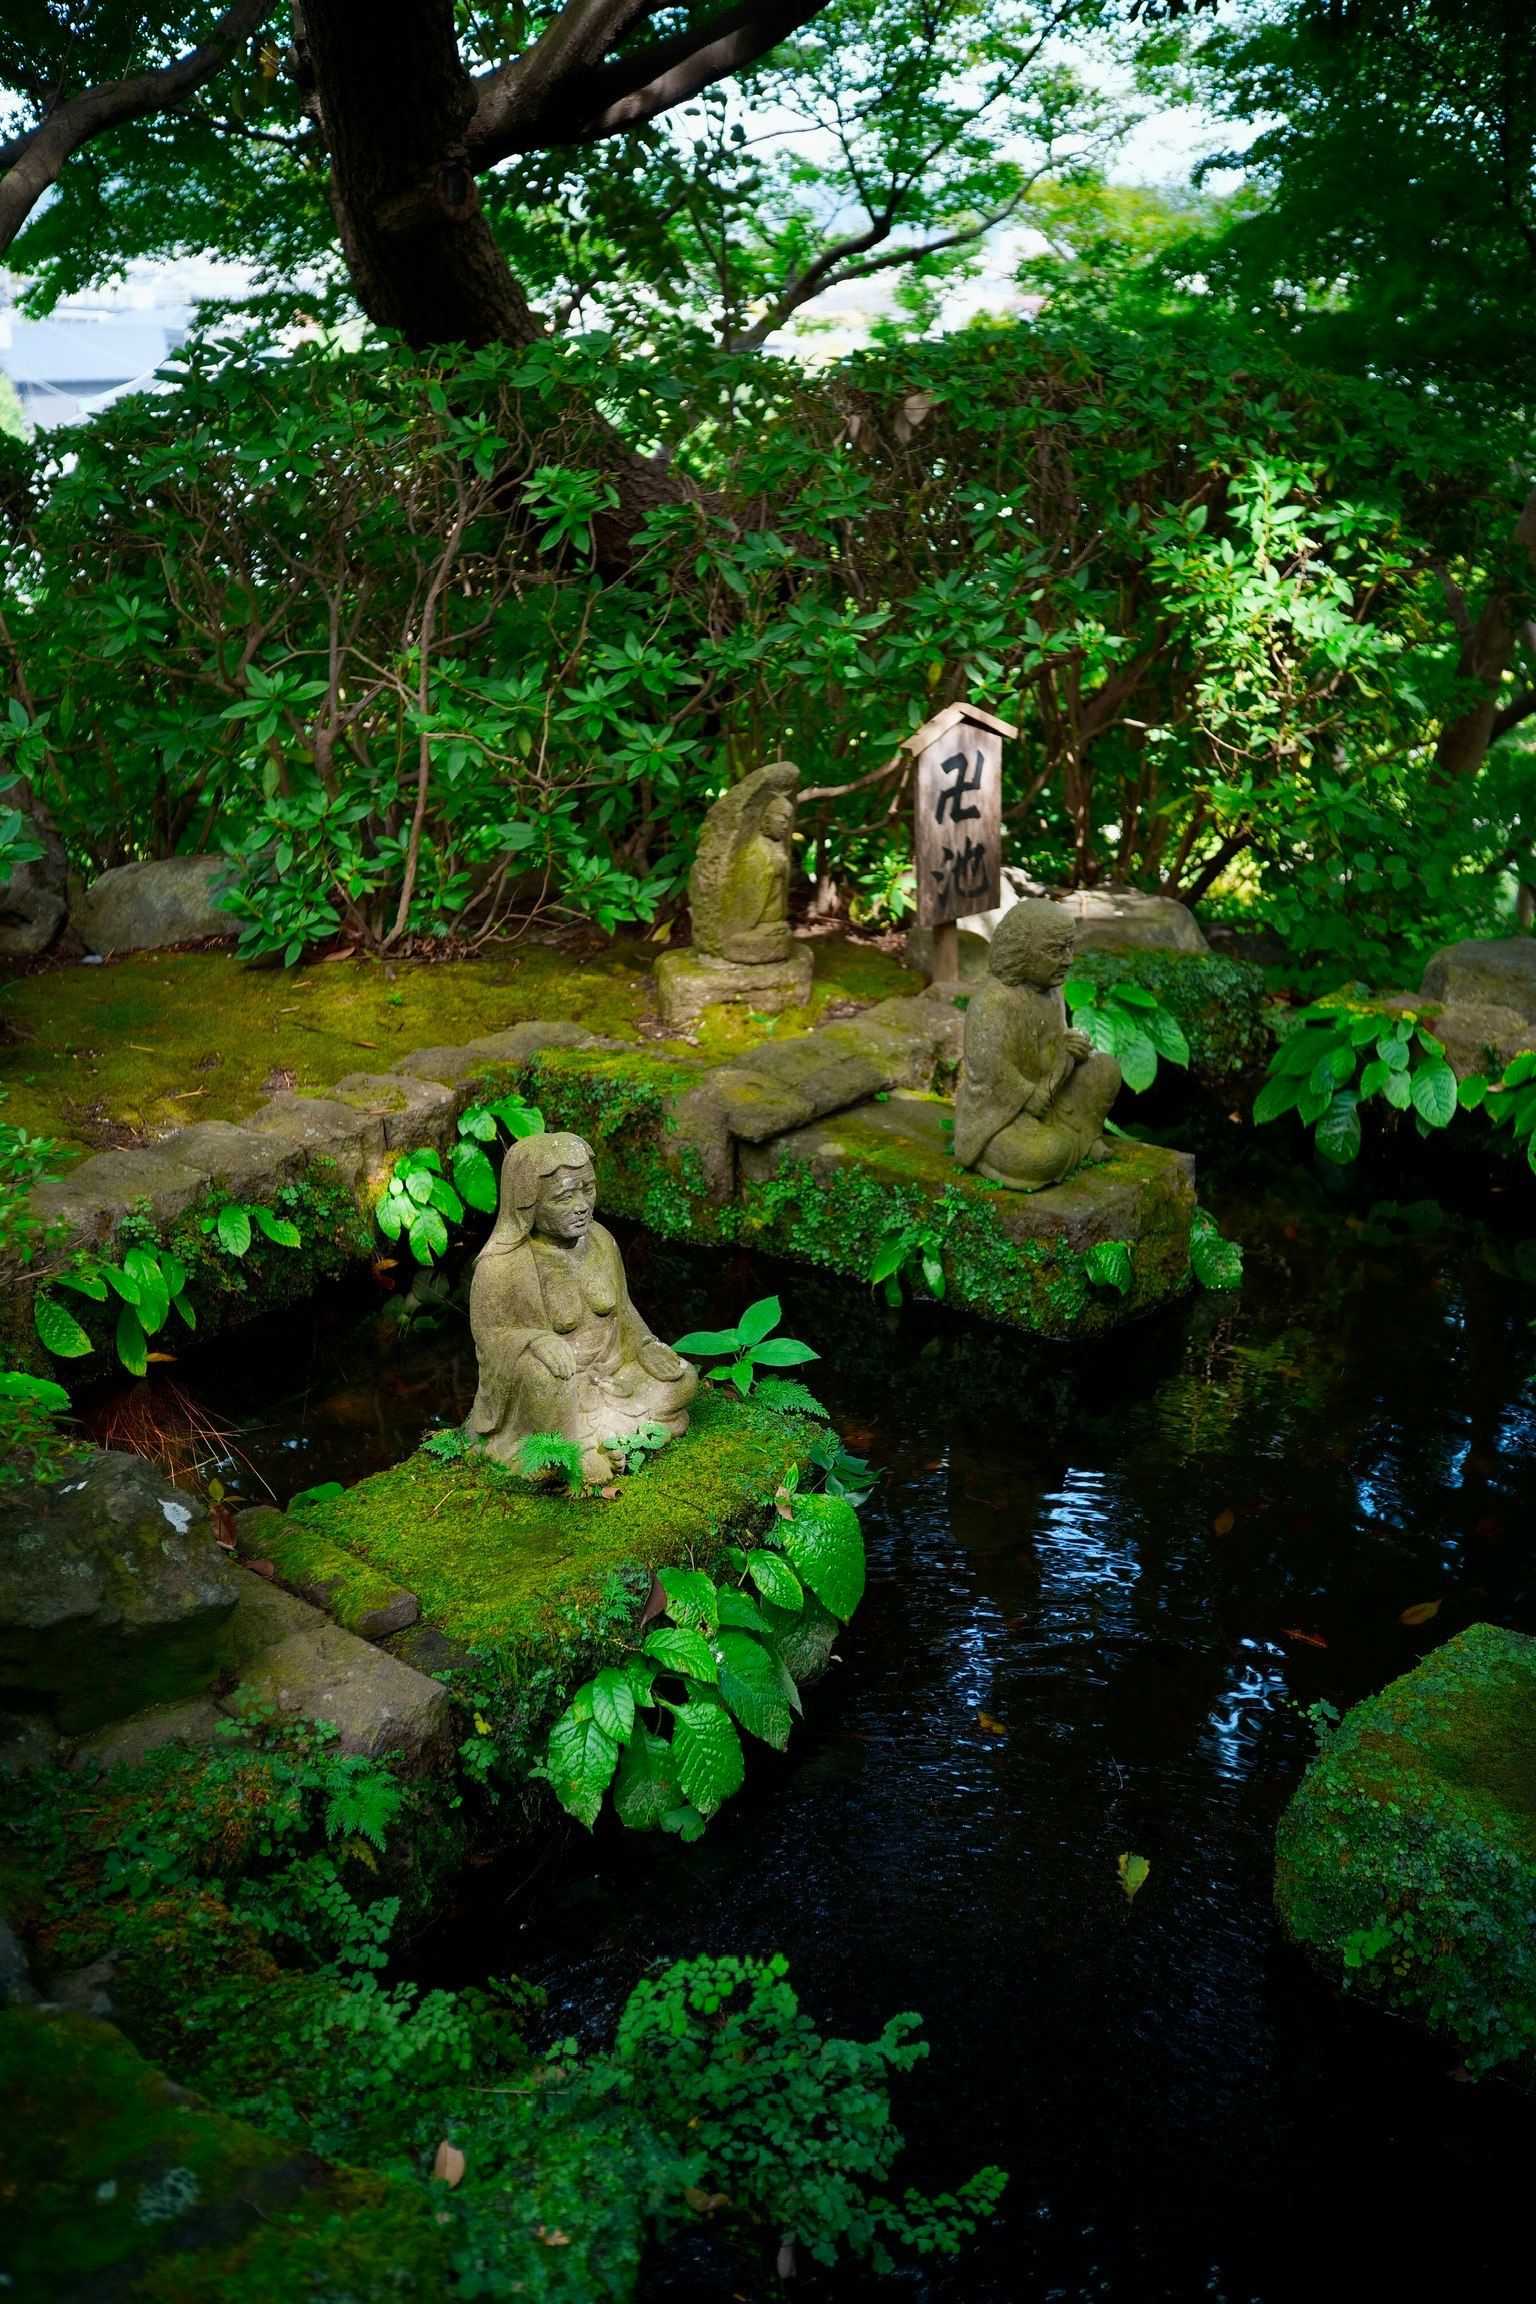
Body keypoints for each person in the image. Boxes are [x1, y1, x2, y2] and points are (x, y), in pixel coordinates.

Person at [466, 1131, 697, 1483]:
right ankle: (568, 1451)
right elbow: (490, 1339)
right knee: (544, 1375)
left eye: (587, 1190)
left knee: (683, 1378)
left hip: (610, 1377)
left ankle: (597, 1439)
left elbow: (624, 1310)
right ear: (528, 1204)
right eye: (564, 1197)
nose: (581, 1205)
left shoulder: (602, 1241)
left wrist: (646, 1345)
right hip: (556, 1394)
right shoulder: (501, 1266)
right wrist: (534, 1341)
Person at [952, 900, 1121, 1189]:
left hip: (1051, 1090)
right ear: (1021, 952)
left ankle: (1080, 1139)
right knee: (1043, 1155)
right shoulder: (993, 1002)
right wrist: (1029, 1096)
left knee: (1105, 1068)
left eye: (1069, 948)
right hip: (1004, 1115)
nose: (1067, 959)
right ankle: (1059, 1147)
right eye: (1055, 951)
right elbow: (989, 1071)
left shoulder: (1053, 990)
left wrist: (1070, 1048)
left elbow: (1056, 1042)